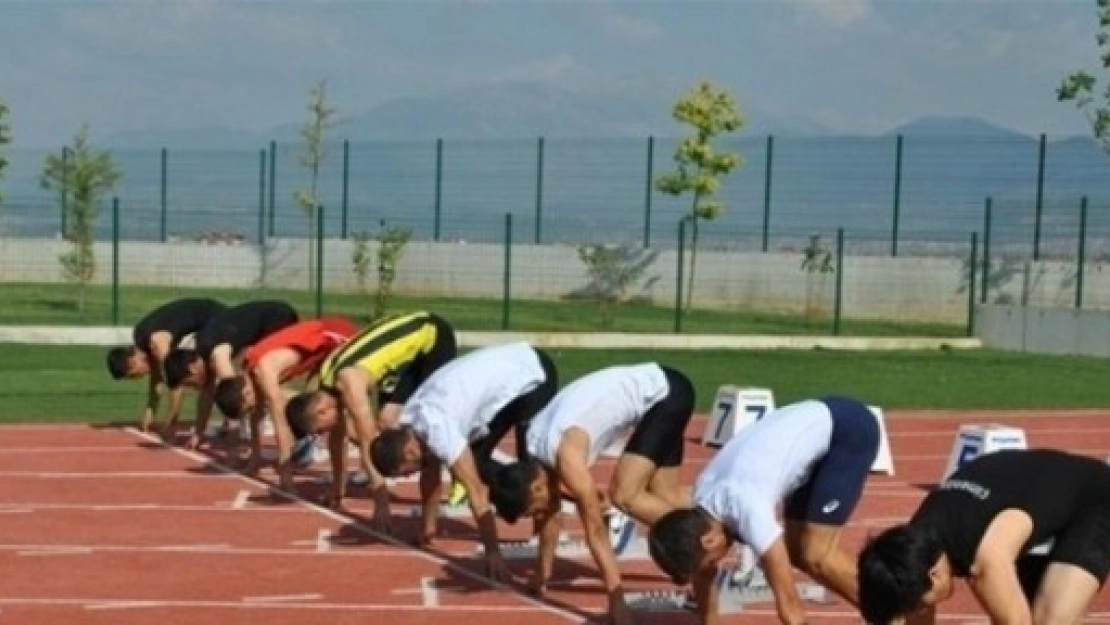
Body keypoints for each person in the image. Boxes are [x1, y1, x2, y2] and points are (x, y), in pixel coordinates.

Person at [488, 363, 696, 625]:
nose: (540, 515)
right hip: (666, 387)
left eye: (535, 510)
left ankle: (701, 540)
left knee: (624, 495)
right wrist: (541, 574)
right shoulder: (533, 451)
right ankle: (717, 522)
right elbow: (550, 517)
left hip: (664, 396)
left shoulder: (565, 454)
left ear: (536, 487)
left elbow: (596, 532)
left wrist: (617, 602)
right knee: (667, 498)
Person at [648, 396, 880, 625]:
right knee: (799, 554)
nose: (715, 566)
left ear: (709, 541)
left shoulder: (747, 509)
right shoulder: (702, 508)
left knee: (817, 555)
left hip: (848, 430)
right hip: (813, 429)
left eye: (712, 562)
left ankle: (891, 614)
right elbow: (703, 575)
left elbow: (790, 608)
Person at [370, 341, 558, 583]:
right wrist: (427, 528)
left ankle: (559, 533)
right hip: (508, 378)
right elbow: (430, 477)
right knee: (477, 463)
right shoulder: (413, 419)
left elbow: (477, 493)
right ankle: (516, 501)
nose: (409, 477)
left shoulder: (438, 429)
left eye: (405, 473)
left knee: (533, 474)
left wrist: (492, 553)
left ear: (409, 453)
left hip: (533, 376)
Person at [858, 448, 1110, 625]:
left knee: (1050, 619)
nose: (921, 610)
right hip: (1031, 493)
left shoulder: (987, 559)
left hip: (1096, 498)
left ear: (934, 574)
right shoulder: (912, 549)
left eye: (921, 604)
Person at [283, 311, 456, 531]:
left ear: (321, 412)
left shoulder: (350, 385)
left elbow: (369, 443)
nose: (322, 435)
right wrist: (338, 487)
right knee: (387, 420)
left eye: (319, 430)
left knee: (426, 432)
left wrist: (381, 504)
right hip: (406, 356)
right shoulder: (328, 382)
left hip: (432, 337)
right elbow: (337, 439)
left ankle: (438, 510)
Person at [212, 316, 359, 489]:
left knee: (333, 417)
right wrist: (254, 460)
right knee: (321, 410)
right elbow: (256, 416)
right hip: (322, 352)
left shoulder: (263, 372)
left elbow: (280, 423)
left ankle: (377, 455)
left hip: (338, 337)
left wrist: (285, 474)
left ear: (246, 392)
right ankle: (341, 478)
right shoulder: (248, 373)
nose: (254, 408)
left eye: (249, 406)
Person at [163, 299, 299, 449]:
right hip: (264, 323)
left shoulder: (216, 355)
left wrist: (233, 450)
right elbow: (206, 397)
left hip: (278, 318)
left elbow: (234, 395)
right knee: (255, 387)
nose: (194, 388)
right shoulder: (200, 353)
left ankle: (305, 424)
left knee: (259, 387)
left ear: (192, 369)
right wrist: (198, 434)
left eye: (190, 383)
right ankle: (287, 423)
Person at [105, 297, 226, 433]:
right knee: (200, 377)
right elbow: (157, 380)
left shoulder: (156, 343)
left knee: (201, 376)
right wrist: (150, 412)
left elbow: (177, 381)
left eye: (134, 376)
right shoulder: (141, 339)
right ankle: (226, 416)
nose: (139, 377)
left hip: (215, 316)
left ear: (133, 363)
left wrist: (169, 422)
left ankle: (233, 415)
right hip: (205, 321)